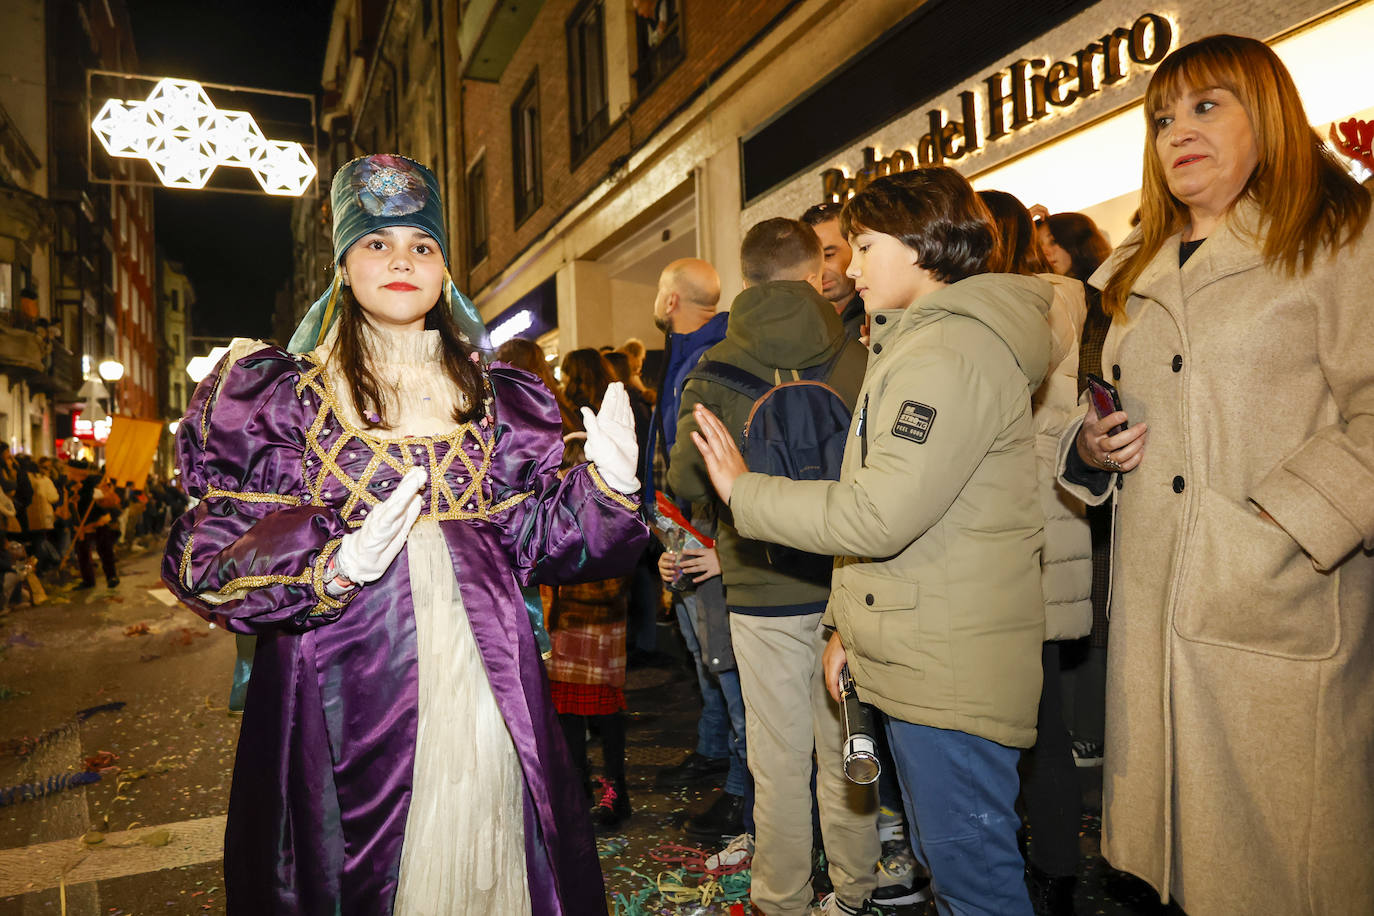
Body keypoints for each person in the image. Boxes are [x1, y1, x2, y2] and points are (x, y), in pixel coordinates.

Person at [162, 153, 647, 915]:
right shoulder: (281, 396)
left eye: (421, 246)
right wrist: (334, 560)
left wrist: (606, 488)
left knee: (482, 833)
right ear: (344, 267)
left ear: (444, 272)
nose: (400, 260)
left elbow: (537, 537)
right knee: (363, 861)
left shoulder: (494, 397)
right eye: (376, 244)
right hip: (342, 681)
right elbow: (211, 555)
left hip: (486, 675)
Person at [1055, 35, 1374, 916]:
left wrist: (1280, 527)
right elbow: (1099, 414)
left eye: (1206, 106)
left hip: (1281, 603)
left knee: (1285, 870)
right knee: (1178, 872)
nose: (1176, 133)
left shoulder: (1340, 240)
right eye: (1162, 119)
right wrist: (1091, 450)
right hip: (1156, 614)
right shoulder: (1132, 270)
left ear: (1267, 117)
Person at [691, 166, 1051, 916]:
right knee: (953, 869)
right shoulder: (922, 345)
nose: (848, 267)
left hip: (950, 665)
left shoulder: (947, 353)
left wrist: (742, 491)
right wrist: (845, 626)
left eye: (863, 244)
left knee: (975, 883)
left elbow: (877, 514)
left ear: (923, 243)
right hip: (930, 645)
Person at [668, 217, 891, 915]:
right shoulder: (859, 356)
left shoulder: (711, 373)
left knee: (778, 757)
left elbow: (684, 481)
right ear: (814, 271)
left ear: (747, 276)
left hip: (759, 589)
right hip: (846, 583)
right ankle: (854, 893)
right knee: (846, 745)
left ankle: (782, 897)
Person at [981, 190, 1093, 916]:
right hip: (1057, 522)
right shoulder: (1067, 304)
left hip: (1010, 532)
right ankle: (1058, 865)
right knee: (1045, 717)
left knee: (1005, 723)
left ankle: (1035, 865)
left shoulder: (1003, 311)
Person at [642, 259, 744, 805]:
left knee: (718, 653)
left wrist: (708, 536)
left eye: (660, 288)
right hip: (681, 524)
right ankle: (714, 751)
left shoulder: (711, 356)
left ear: (672, 299)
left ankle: (736, 780)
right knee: (700, 649)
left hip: (707, 528)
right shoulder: (686, 353)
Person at [801, 202, 866, 344]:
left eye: (829, 255)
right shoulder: (805, 325)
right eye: (811, 260)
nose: (820, 269)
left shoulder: (877, 315)